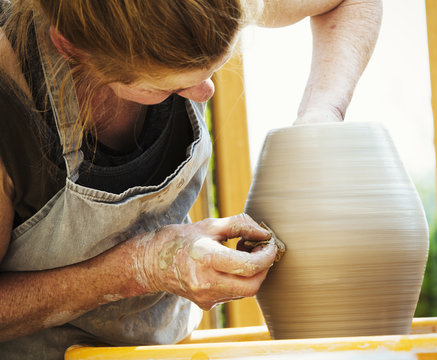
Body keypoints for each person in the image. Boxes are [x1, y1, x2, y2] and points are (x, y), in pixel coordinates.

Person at [0, 0, 382, 358]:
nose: (205, 92)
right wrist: (142, 267)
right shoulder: (9, 100)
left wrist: (321, 114)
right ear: (71, 48)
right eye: (169, 86)